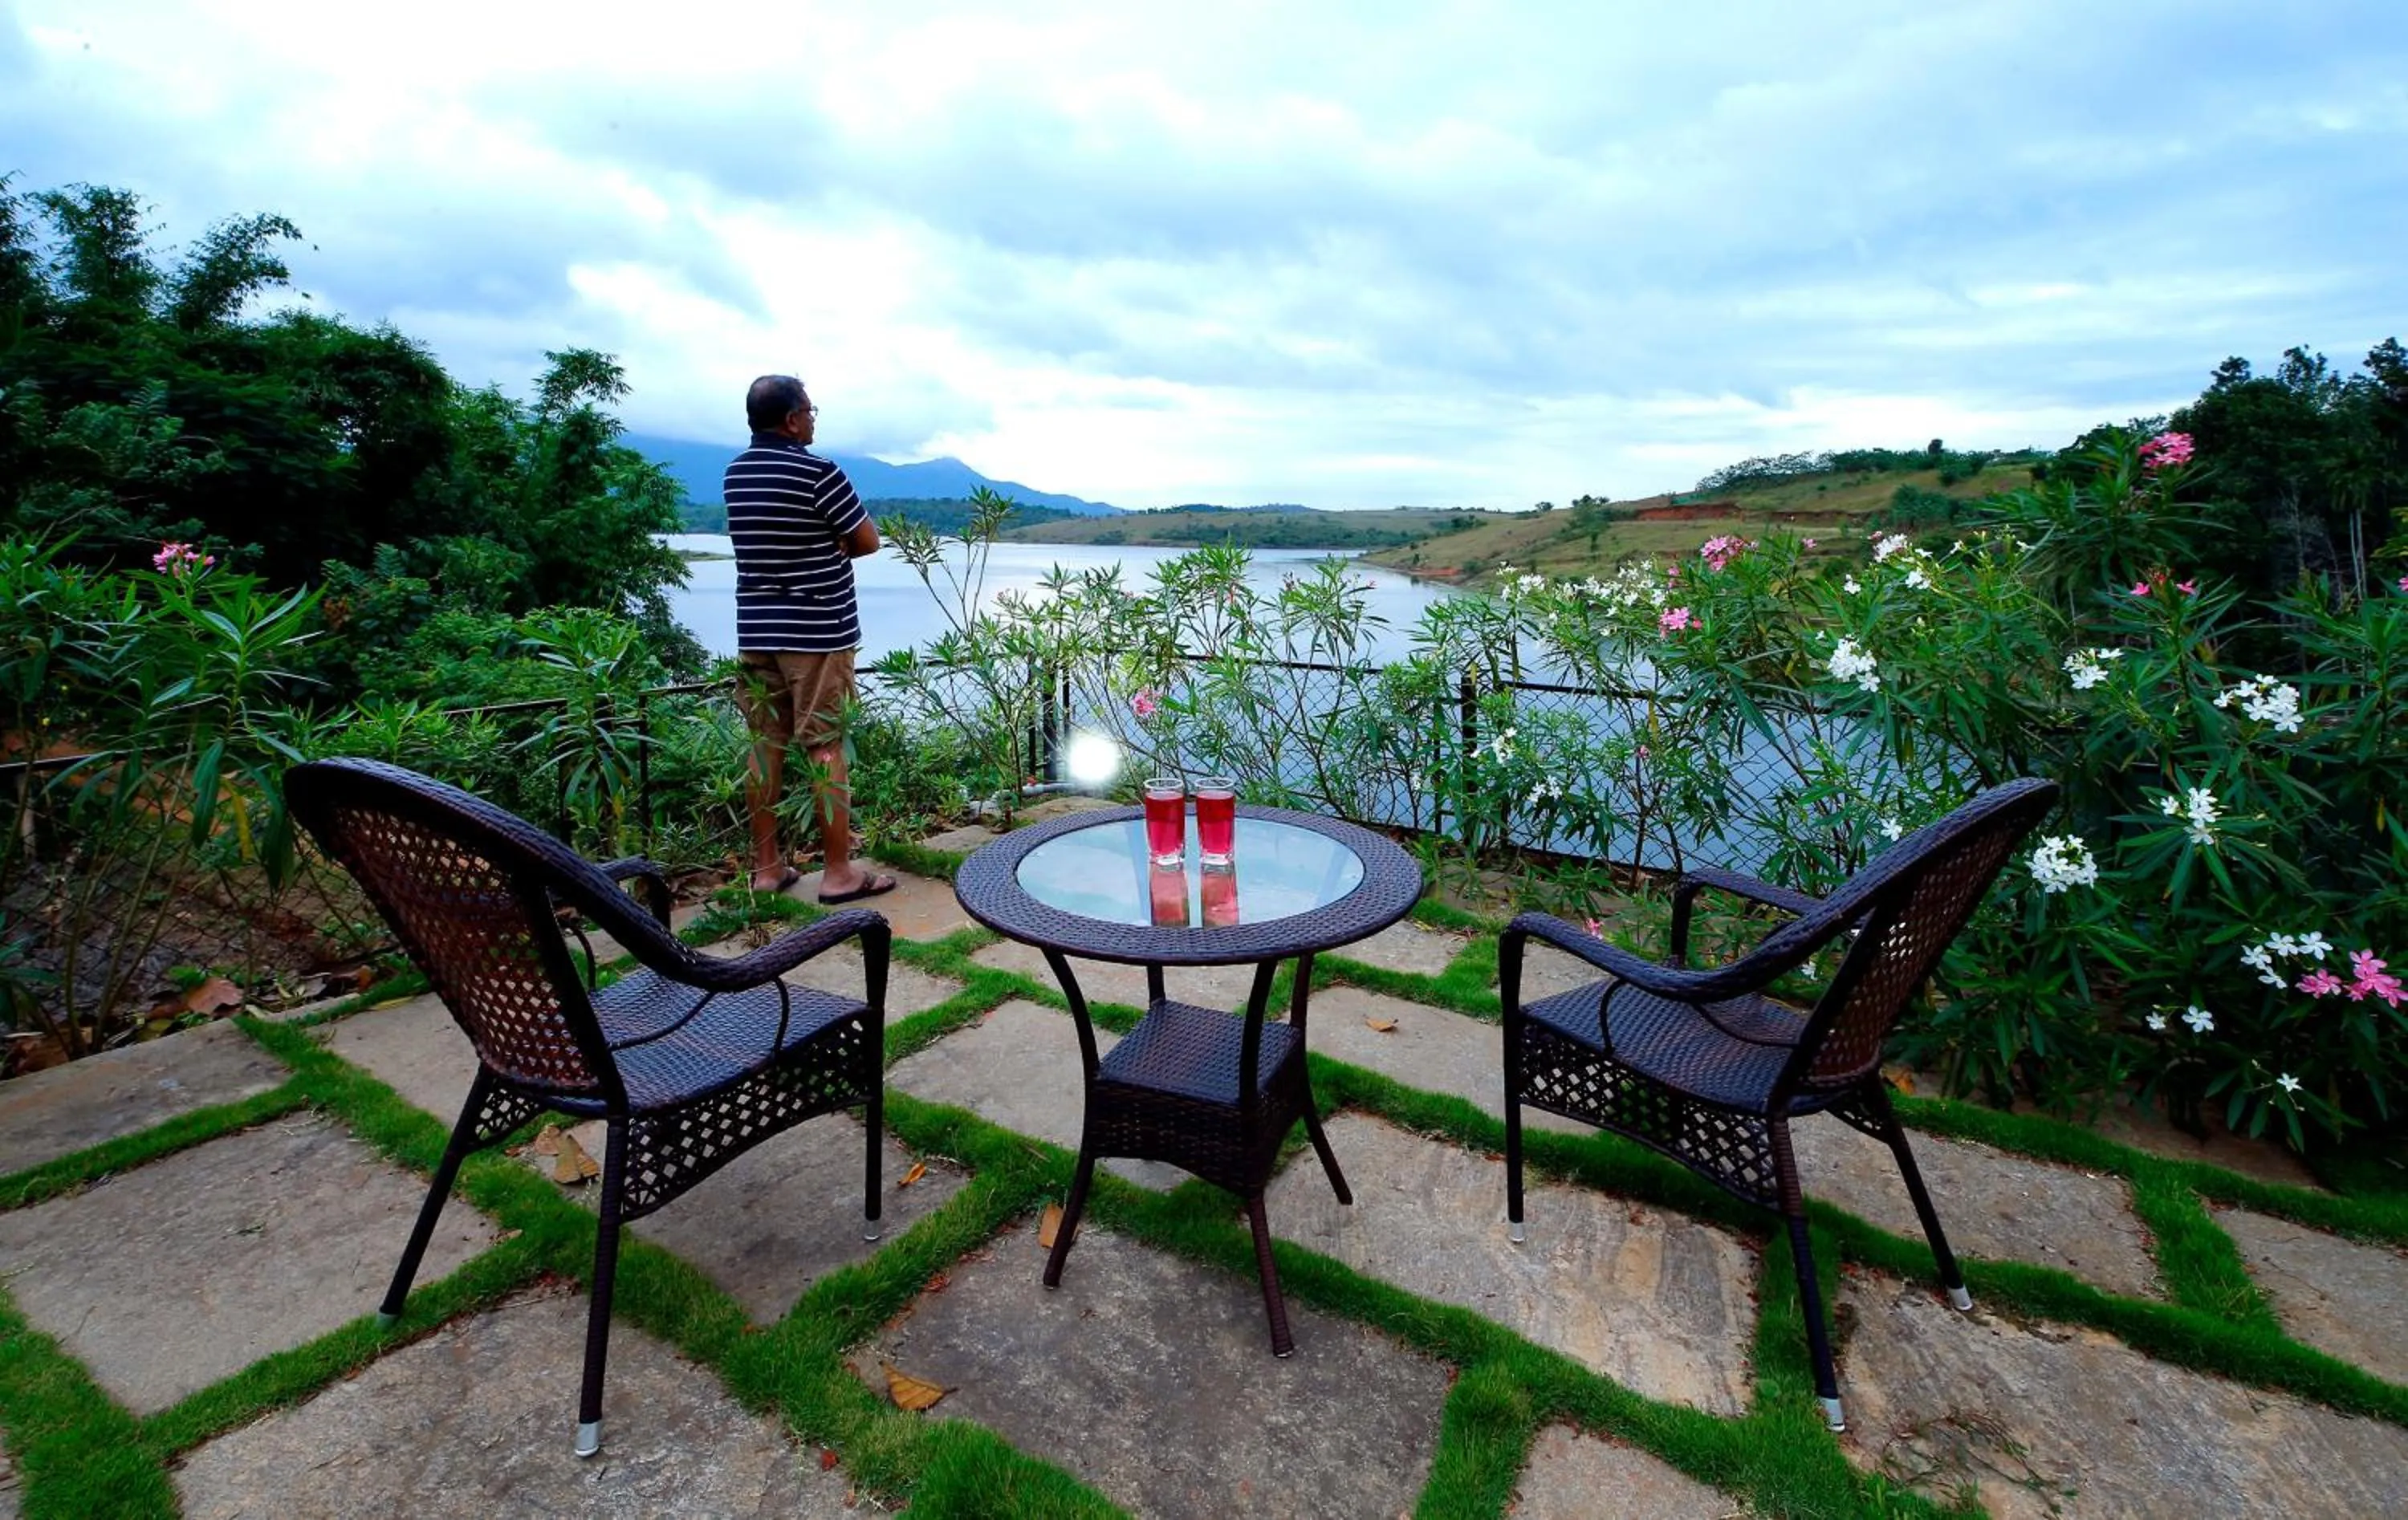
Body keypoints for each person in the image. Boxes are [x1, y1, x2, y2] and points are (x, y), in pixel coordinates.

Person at [724, 375, 894, 902]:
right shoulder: (818, 473)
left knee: (764, 745)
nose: (814, 419)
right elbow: (867, 540)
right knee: (824, 746)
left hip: (757, 630)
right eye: (811, 410)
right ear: (793, 419)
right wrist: (832, 542)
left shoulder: (735, 475)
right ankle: (839, 872)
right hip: (817, 633)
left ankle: (768, 867)